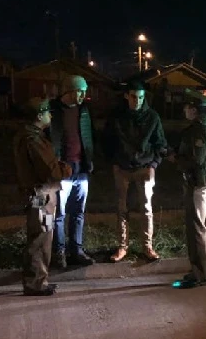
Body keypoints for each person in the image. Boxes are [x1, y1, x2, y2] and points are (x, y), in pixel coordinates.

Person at [13, 97, 73, 296]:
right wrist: (66, 169)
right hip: (41, 196)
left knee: (43, 234)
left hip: (40, 194)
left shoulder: (28, 136)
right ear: (39, 116)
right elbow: (50, 170)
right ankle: (35, 283)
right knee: (41, 236)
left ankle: (39, 280)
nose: (51, 116)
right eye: (48, 112)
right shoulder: (34, 140)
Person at [102, 81, 168, 262]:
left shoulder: (152, 117)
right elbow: (107, 140)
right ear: (126, 96)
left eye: (140, 97)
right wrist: (114, 162)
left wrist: (154, 164)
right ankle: (122, 246)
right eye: (133, 97)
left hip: (145, 167)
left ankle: (147, 246)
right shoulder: (117, 116)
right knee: (122, 208)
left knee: (146, 208)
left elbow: (160, 143)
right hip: (122, 168)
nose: (137, 101)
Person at [169, 89, 206, 289]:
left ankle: (199, 274)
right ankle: (205, 271)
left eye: (187, 107)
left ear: (194, 109)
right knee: (203, 226)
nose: (184, 110)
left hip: (198, 183)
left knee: (197, 228)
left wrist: (175, 159)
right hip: (204, 181)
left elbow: (196, 160)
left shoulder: (199, 129)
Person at [49, 75, 96, 268]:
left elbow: (90, 135)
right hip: (62, 170)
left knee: (78, 212)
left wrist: (89, 160)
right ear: (68, 91)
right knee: (59, 214)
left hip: (81, 169)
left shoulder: (84, 110)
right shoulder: (53, 110)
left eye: (85, 91)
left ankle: (76, 250)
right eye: (80, 91)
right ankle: (59, 252)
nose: (84, 95)